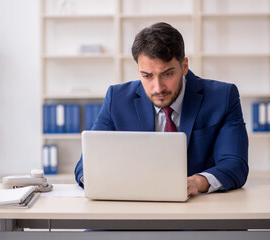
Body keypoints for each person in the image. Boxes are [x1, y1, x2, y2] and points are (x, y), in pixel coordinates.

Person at [75, 22, 248, 196]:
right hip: (132, 207)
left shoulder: (223, 97)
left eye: (167, 74)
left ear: (184, 66)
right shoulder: (117, 99)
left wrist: (198, 181)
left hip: (197, 211)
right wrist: (98, 181)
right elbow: (86, 164)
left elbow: (235, 164)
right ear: (138, 70)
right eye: (147, 76)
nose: (158, 88)